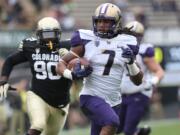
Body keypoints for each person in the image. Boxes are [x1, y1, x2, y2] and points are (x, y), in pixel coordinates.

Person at [56, 3, 143, 135]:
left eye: (107, 21)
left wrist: (131, 62)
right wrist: (72, 75)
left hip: (114, 101)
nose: (102, 25)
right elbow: (60, 65)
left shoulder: (128, 42)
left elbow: (138, 81)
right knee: (112, 122)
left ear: (117, 22)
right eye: (99, 21)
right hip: (91, 96)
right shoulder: (85, 38)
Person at [0, 17, 72, 135]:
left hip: (61, 102)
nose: (49, 38)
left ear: (58, 34)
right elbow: (10, 61)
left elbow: (85, 58)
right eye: (45, 34)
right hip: (38, 96)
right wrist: (3, 80)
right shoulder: (32, 48)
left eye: (52, 34)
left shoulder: (68, 47)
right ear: (39, 35)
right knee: (38, 125)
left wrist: (73, 57)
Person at [117, 21, 165, 135]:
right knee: (116, 128)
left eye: (133, 36)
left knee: (128, 131)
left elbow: (159, 71)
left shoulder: (143, 50)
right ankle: (140, 132)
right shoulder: (118, 48)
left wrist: (152, 82)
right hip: (121, 95)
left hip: (138, 93)